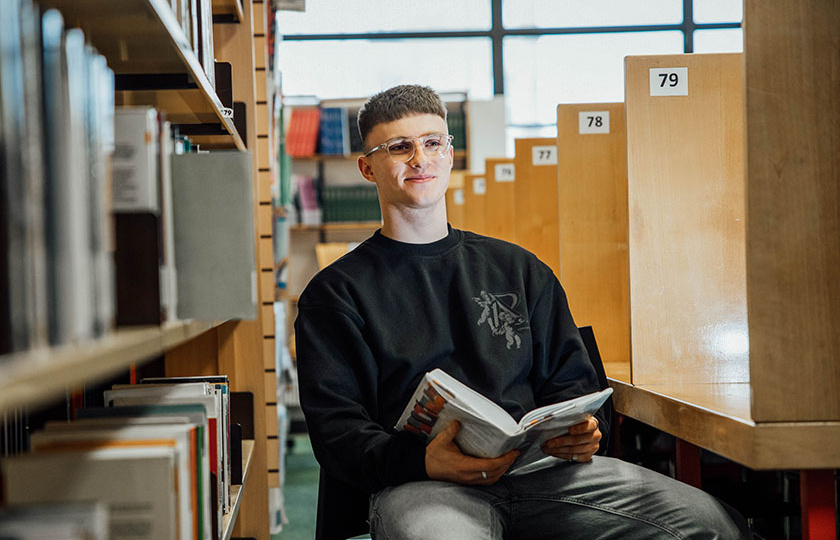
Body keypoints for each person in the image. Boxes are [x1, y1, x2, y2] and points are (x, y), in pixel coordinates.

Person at [295, 84, 751, 539]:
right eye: (399, 147)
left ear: (450, 153)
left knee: (710, 524)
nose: (420, 158)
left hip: (541, 474)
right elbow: (338, 432)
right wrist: (421, 459)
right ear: (367, 168)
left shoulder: (518, 268)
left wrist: (588, 430)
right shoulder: (335, 294)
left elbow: (573, 379)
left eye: (433, 142)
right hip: (424, 484)